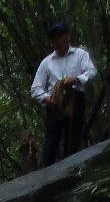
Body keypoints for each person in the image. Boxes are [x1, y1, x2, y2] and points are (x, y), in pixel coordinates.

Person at [30, 18, 98, 166]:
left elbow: (92, 72)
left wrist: (76, 79)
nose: (57, 40)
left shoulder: (80, 55)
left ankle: (72, 169)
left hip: (76, 99)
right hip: (55, 104)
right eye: (53, 37)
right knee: (51, 141)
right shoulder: (47, 62)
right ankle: (46, 174)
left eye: (59, 36)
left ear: (67, 36)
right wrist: (49, 99)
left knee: (73, 138)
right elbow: (35, 89)